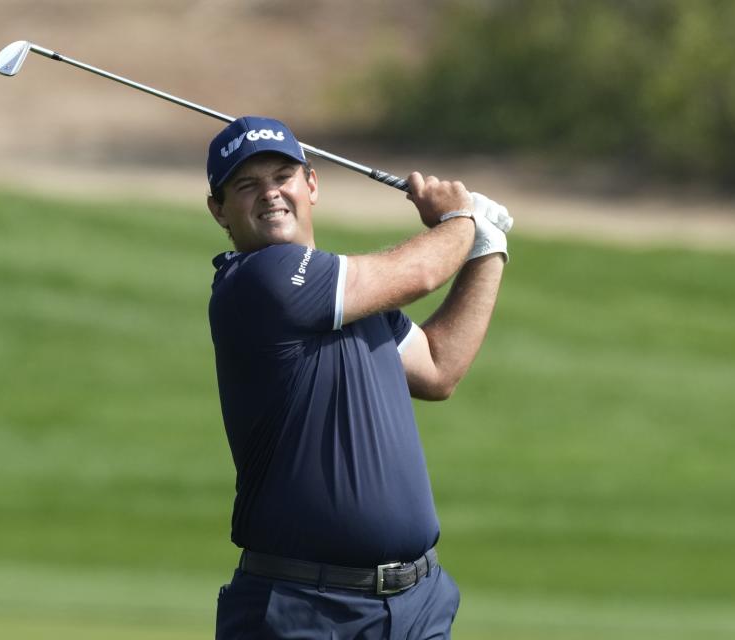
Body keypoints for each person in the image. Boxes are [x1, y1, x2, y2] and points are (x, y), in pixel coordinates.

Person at [205, 116, 509, 639]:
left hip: (416, 605)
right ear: (219, 209)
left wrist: (488, 249)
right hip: (304, 610)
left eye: (282, 176)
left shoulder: (346, 297)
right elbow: (421, 273)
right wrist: (460, 219)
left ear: (311, 185)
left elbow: (438, 368)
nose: (271, 194)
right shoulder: (259, 281)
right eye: (247, 185)